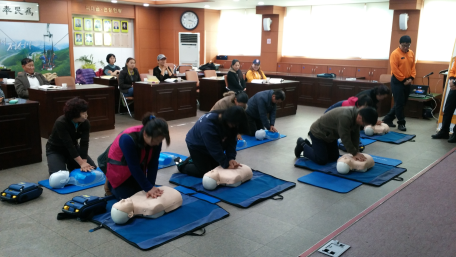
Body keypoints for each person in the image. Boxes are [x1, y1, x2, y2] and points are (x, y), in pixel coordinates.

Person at [106, 113, 170, 200]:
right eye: (156, 141)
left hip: (137, 166)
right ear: (145, 134)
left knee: (144, 194)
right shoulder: (127, 139)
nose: (158, 143)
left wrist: (151, 185)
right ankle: (109, 185)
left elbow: (153, 163)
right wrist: (148, 188)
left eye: (160, 140)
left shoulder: (156, 139)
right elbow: (133, 166)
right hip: (119, 172)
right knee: (130, 199)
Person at [176, 106, 249, 178]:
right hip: (196, 145)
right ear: (228, 120)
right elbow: (214, 148)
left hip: (211, 142)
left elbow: (231, 141)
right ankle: (179, 163)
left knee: (216, 167)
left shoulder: (229, 121)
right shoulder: (208, 125)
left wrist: (231, 158)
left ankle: (194, 159)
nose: (234, 127)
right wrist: (226, 164)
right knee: (206, 172)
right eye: (233, 125)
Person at [294, 107, 378, 165]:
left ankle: (313, 147)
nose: (364, 126)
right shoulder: (345, 117)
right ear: (360, 117)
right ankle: (302, 144)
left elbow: (355, 135)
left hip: (330, 136)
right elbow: (345, 137)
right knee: (322, 160)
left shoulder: (357, 116)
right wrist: (354, 153)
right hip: (318, 133)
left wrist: (356, 152)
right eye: (365, 124)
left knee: (334, 157)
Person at [46, 98, 97, 175]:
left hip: (74, 148)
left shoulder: (85, 123)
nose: (86, 115)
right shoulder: (61, 122)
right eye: (83, 113)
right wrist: (81, 163)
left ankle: (71, 163)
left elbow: (84, 143)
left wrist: (84, 162)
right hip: (56, 150)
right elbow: (68, 144)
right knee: (59, 177)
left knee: (92, 169)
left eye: (86, 112)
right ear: (75, 114)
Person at [382, 35, 416, 131]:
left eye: (408, 45)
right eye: (404, 45)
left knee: (402, 103)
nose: (406, 48)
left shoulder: (411, 53)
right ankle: (401, 123)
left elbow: (413, 66)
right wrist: (403, 80)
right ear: (399, 44)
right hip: (397, 81)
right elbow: (395, 69)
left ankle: (387, 119)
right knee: (399, 103)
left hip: (408, 80)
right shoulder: (395, 54)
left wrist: (411, 78)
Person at [432, 61, 456, 143]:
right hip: (454, 86)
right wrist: (452, 79)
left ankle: (455, 134)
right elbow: (453, 70)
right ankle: (444, 131)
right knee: (448, 110)